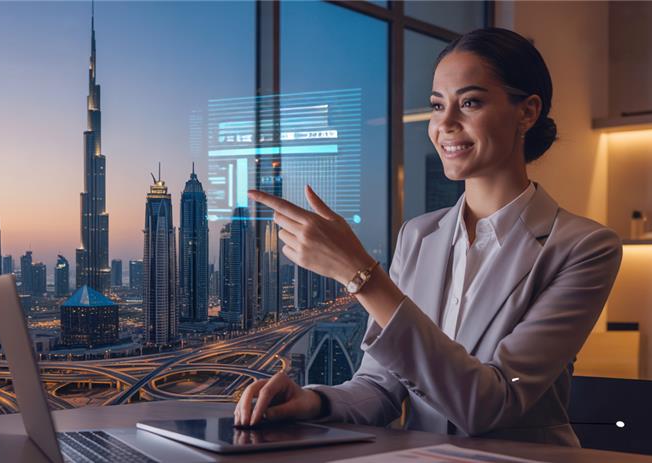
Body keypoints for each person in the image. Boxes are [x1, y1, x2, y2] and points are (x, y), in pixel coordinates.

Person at [235, 27, 622, 447]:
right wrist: (313, 402)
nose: (446, 124)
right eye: (438, 106)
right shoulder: (418, 236)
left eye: (469, 102)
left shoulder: (583, 248)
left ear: (527, 113)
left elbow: (493, 402)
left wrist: (360, 274)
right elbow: (381, 389)